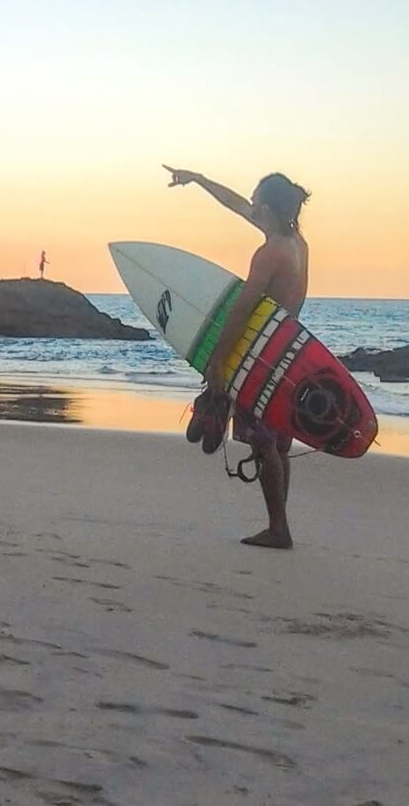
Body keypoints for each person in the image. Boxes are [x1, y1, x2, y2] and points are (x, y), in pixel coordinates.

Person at [164, 166, 311, 550]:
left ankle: (279, 529)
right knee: (278, 443)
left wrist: (217, 361)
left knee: (263, 443)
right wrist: (197, 179)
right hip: (286, 352)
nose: (250, 206)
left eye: (255, 201)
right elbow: (234, 204)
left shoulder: (269, 254)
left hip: (260, 358)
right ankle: (279, 521)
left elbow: (242, 310)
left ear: (266, 207)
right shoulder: (296, 242)